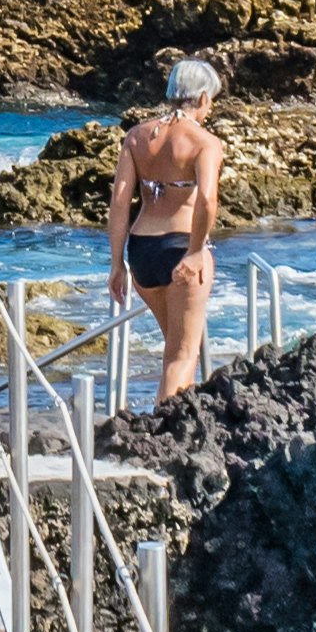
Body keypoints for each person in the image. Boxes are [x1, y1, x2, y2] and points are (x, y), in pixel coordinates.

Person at [109, 57, 229, 400]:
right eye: (211, 101)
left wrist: (117, 264)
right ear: (204, 97)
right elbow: (207, 200)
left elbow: (119, 202)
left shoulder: (137, 137)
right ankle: (166, 437)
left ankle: (166, 429)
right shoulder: (205, 142)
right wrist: (194, 253)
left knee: (173, 350)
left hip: (142, 252)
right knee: (181, 357)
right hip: (181, 249)